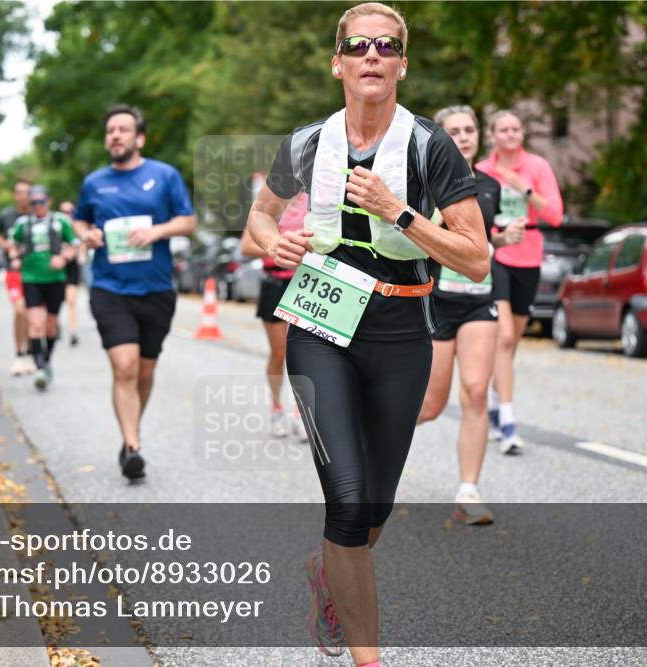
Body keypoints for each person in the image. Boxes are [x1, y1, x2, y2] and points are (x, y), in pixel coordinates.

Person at [245, 4, 489, 662]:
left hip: (401, 330)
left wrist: (400, 211)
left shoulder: (428, 144)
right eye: (359, 45)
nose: (372, 54)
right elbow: (256, 222)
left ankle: (326, 576)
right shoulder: (304, 143)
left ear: (403, 64)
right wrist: (280, 242)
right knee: (348, 505)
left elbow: (476, 256)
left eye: (387, 46)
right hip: (320, 325)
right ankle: (367, 655)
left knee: (374, 512)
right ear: (339, 63)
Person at [74, 105, 196, 480]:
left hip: (156, 288)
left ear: (138, 138)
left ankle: (131, 431)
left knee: (144, 370)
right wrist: (87, 235)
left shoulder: (164, 176)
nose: (115, 135)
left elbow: (188, 221)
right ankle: (132, 446)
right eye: (110, 130)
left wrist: (157, 232)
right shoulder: (95, 182)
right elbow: (79, 219)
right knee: (123, 366)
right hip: (110, 287)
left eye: (123, 129)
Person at [417, 105, 520, 525]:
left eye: (469, 129)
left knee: (477, 391)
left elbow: (480, 240)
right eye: (454, 131)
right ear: (440, 138)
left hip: (480, 299)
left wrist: (501, 239)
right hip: (438, 301)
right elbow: (413, 235)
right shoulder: (423, 184)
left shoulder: (491, 185)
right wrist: (437, 217)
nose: (463, 136)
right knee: (429, 404)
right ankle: (369, 453)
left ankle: (468, 491)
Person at [476, 109, 564, 454]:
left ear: (522, 134)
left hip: (528, 254)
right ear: (493, 136)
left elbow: (554, 216)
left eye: (516, 129)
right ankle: (509, 422)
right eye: (504, 129)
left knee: (511, 342)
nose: (511, 134)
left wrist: (522, 188)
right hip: (495, 253)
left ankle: (498, 404)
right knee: (505, 335)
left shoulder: (537, 167)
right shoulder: (482, 171)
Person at [240, 192, 310, 441]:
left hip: (305, 284)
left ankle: (301, 414)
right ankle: (276, 408)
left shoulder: (313, 199)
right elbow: (246, 246)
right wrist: (279, 245)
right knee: (280, 352)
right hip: (274, 284)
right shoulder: (270, 203)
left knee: (304, 353)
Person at [8, 186, 77, 391]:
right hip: (31, 277)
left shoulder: (60, 221)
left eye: (42, 202)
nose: (38, 206)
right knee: (35, 324)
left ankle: (46, 361)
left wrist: (63, 258)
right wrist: (14, 258)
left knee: (51, 325)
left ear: (49, 201)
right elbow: (12, 244)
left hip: (55, 278)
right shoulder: (22, 224)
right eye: (34, 203)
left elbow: (74, 244)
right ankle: (39, 367)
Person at [0, 179, 34, 376]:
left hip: (36, 271)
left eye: (27, 192)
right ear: (14, 195)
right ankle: (19, 354)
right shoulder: (7, 215)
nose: (23, 196)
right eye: (19, 192)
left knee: (32, 315)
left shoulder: (38, 214)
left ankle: (30, 354)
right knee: (19, 311)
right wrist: (6, 246)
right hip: (13, 270)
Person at [58, 200, 83, 347]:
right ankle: (55, 325)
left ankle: (73, 331)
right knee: (55, 301)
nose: (67, 214)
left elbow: (82, 243)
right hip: (56, 268)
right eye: (64, 211)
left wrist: (79, 254)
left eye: (70, 211)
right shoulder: (54, 227)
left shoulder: (77, 227)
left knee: (71, 301)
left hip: (72, 268)